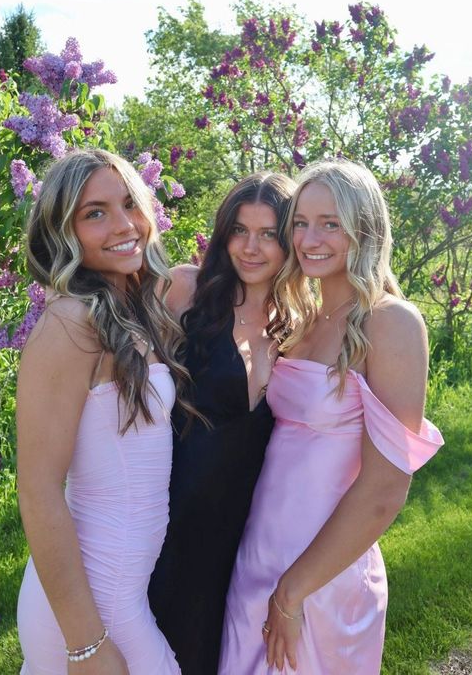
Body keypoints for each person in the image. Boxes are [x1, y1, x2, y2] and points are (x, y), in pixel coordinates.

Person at [218, 159, 445, 675]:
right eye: (300, 222)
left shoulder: (389, 322)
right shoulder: (301, 319)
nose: (308, 238)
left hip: (321, 573)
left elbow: (386, 487)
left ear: (364, 229)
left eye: (331, 223)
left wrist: (293, 592)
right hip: (257, 555)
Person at [16, 148, 197, 674]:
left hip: (120, 592)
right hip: (90, 604)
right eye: (95, 213)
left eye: (129, 205)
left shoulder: (129, 310)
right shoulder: (71, 324)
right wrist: (86, 646)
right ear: (61, 232)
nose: (123, 225)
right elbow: (38, 490)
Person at [148, 171, 297, 675]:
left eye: (269, 234)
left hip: (239, 537)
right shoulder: (184, 289)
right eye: (240, 230)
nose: (251, 248)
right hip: (165, 524)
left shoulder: (296, 322)